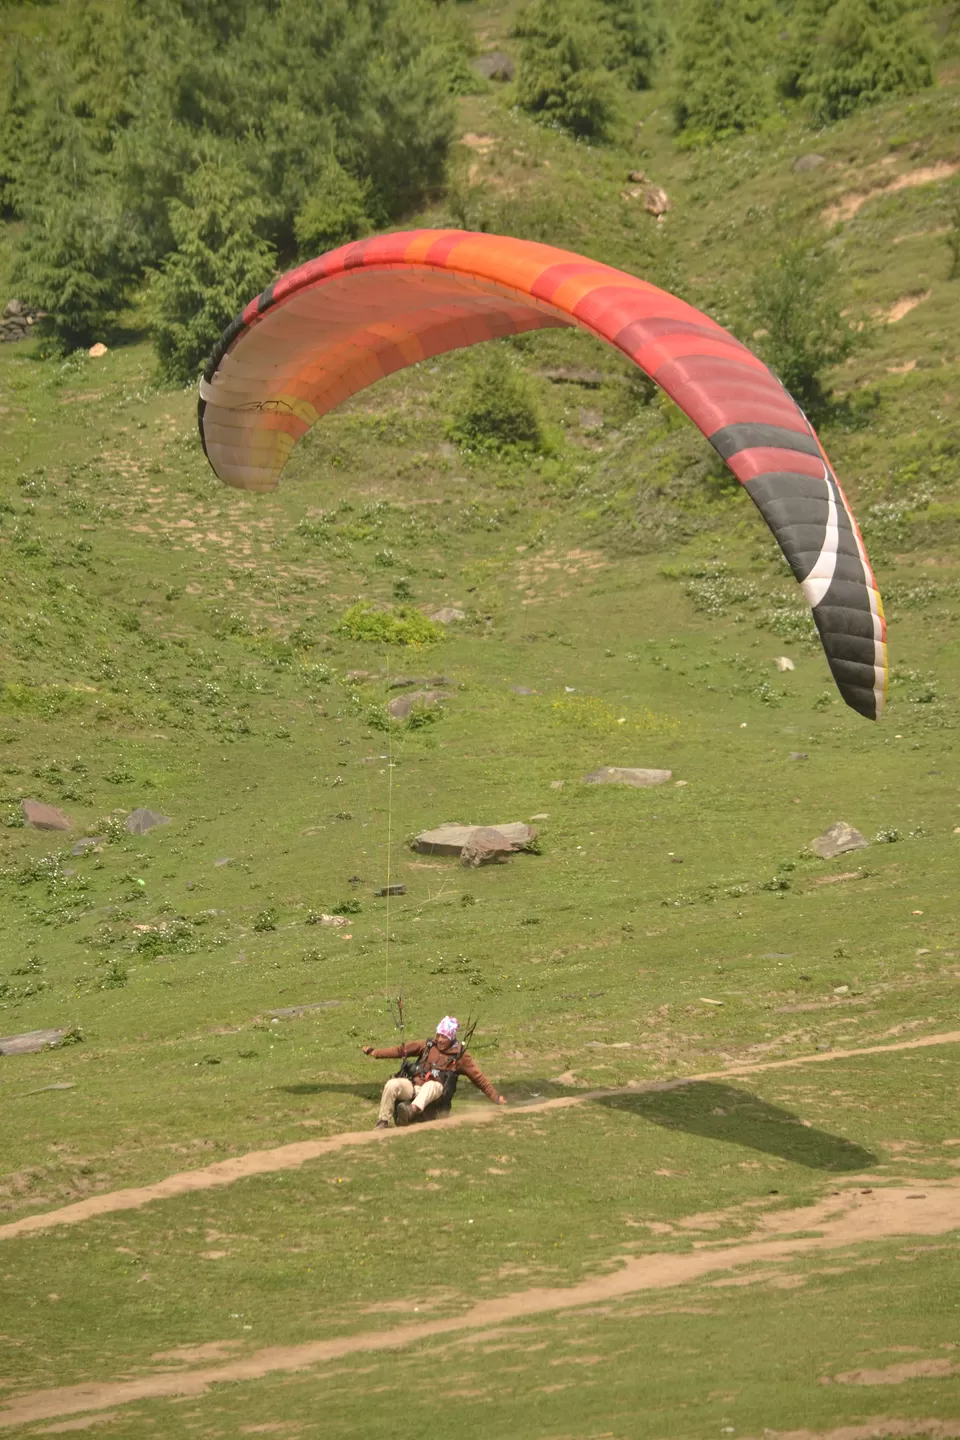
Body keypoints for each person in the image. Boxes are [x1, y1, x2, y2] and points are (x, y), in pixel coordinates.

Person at [363, 1015, 505, 1128]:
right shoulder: (428, 1045)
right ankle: (382, 1121)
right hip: (415, 1087)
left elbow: (479, 1079)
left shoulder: (461, 1056)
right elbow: (401, 1050)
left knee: (431, 1085)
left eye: (444, 1037)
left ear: (451, 1037)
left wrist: (496, 1097)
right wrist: (375, 1052)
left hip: (436, 1094)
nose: (440, 1040)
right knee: (392, 1084)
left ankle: (411, 1110)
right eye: (438, 1035)